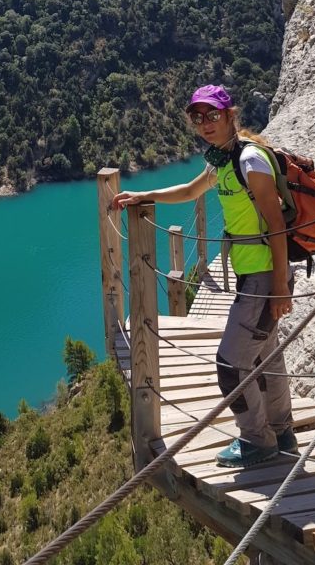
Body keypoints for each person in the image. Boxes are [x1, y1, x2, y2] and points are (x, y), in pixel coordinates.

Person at [112, 83, 297, 467]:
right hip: (253, 276)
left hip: (264, 277)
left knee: (230, 364)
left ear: (231, 115)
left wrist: (280, 287)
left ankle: (257, 442)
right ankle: (282, 435)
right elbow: (190, 190)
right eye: (197, 117)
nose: (204, 124)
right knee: (266, 359)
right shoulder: (224, 160)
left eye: (213, 115)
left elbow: (277, 224)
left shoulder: (250, 161)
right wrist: (144, 196)